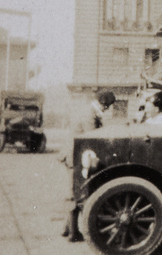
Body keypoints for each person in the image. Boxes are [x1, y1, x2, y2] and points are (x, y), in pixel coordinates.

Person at [61, 90, 115, 242]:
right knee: (74, 193)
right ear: (103, 104)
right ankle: (72, 233)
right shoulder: (89, 114)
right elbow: (93, 138)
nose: (108, 109)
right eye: (108, 106)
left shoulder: (89, 111)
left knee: (74, 190)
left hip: (74, 154)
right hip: (75, 157)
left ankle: (66, 229)